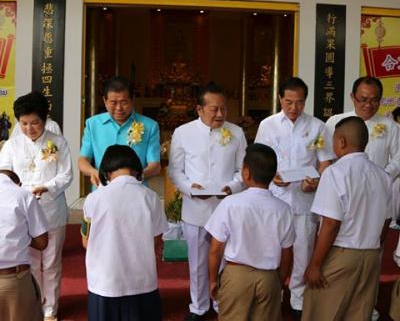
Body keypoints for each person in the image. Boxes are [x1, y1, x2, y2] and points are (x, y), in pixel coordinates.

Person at [254, 76, 335, 317]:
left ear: (305, 101)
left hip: (304, 199)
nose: (293, 108)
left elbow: (325, 162)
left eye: (299, 102)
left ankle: (298, 301)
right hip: (275, 197)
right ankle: (273, 294)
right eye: (288, 102)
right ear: (280, 99)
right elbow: (259, 159)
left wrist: (317, 182)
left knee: (303, 251)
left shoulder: (318, 127)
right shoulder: (267, 125)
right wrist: (272, 177)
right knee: (271, 250)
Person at [168, 83, 247, 321]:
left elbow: (242, 170)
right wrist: (190, 189)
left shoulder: (236, 132)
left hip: (226, 206)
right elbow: (175, 170)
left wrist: (232, 187)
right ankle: (199, 307)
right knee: (197, 262)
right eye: (214, 109)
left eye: (224, 109)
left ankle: (222, 304)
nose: (220, 114)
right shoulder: (183, 132)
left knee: (227, 259)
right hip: (196, 208)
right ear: (199, 109)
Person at [302, 116, 392, 321]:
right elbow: (387, 220)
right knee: (358, 313)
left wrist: (315, 265)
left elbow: (331, 224)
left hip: (341, 253)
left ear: (341, 141)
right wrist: (373, 246)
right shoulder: (383, 176)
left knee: (322, 311)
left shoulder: (335, 173)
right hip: (370, 255)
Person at [0, 92, 73, 321]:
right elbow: (4, 174)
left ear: (44, 119)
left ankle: (50, 308)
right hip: (22, 212)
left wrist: (47, 187)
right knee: (29, 262)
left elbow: (66, 175)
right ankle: (33, 304)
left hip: (51, 209)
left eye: (34, 123)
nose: (29, 129)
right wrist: (21, 192)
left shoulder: (57, 142)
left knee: (51, 262)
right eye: (23, 123)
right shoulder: (12, 145)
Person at [205, 143, 294, 321]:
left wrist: (213, 280)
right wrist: (278, 281)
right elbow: (287, 254)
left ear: (246, 173)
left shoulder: (230, 204)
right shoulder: (284, 209)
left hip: (236, 277)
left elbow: (215, 249)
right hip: (269, 277)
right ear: (273, 175)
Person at [83, 144, 168, 321]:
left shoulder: (94, 198)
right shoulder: (151, 197)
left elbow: (86, 242)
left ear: (106, 172)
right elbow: (156, 239)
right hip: (142, 281)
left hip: (105, 282)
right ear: (136, 169)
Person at [78, 76, 161, 187]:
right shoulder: (93, 124)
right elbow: (83, 160)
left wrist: (136, 177)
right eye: (113, 103)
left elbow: (155, 165)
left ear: (132, 100)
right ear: (104, 101)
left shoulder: (150, 126)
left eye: (124, 102)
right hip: (103, 189)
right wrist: (93, 172)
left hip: (136, 189)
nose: (118, 108)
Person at [326, 76, 400, 179]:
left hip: (376, 183)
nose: (368, 105)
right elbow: (325, 154)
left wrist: (383, 176)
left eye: (374, 100)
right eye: (363, 99)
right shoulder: (335, 121)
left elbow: (398, 157)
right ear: (352, 97)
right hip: (341, 181)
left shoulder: (390, 126)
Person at [0, 170, 49, 321]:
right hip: (13, 279)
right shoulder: (23, 195)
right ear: (19, 184)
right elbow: (42, 242)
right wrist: (22, 235)